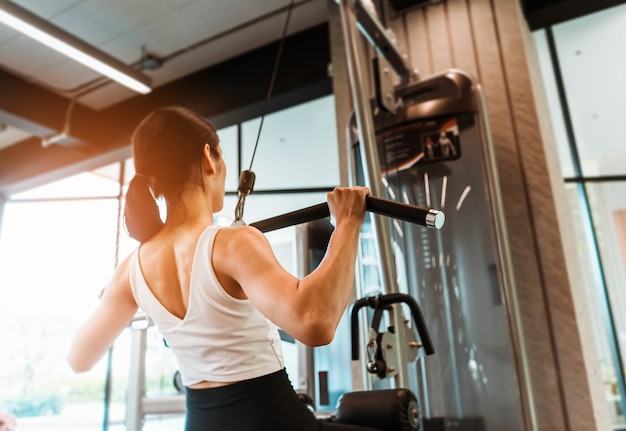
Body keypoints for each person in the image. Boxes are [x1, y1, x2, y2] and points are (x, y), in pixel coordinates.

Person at [67, 106, 377, 431]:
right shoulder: (233, 243)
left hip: (200, 422)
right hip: (270, 420)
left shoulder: (131, 269)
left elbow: (79, 358)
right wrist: (348, 222)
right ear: (208, 157)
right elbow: (316, 322)